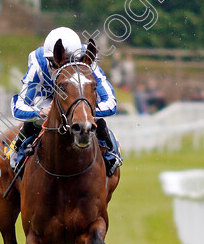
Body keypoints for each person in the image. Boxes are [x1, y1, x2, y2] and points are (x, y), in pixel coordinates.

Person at [9, 26, 122, 177]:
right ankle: (18, 152)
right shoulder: (38, 63)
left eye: (70, 62)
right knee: (34, 122)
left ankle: (111, 154)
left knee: (96, 119)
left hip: (76, 99)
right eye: (55, 62)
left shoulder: (87, 60)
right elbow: (18, 106)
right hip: (46, 99)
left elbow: (111, 102)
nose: (61, 67)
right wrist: (40, 112)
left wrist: (86, 110)